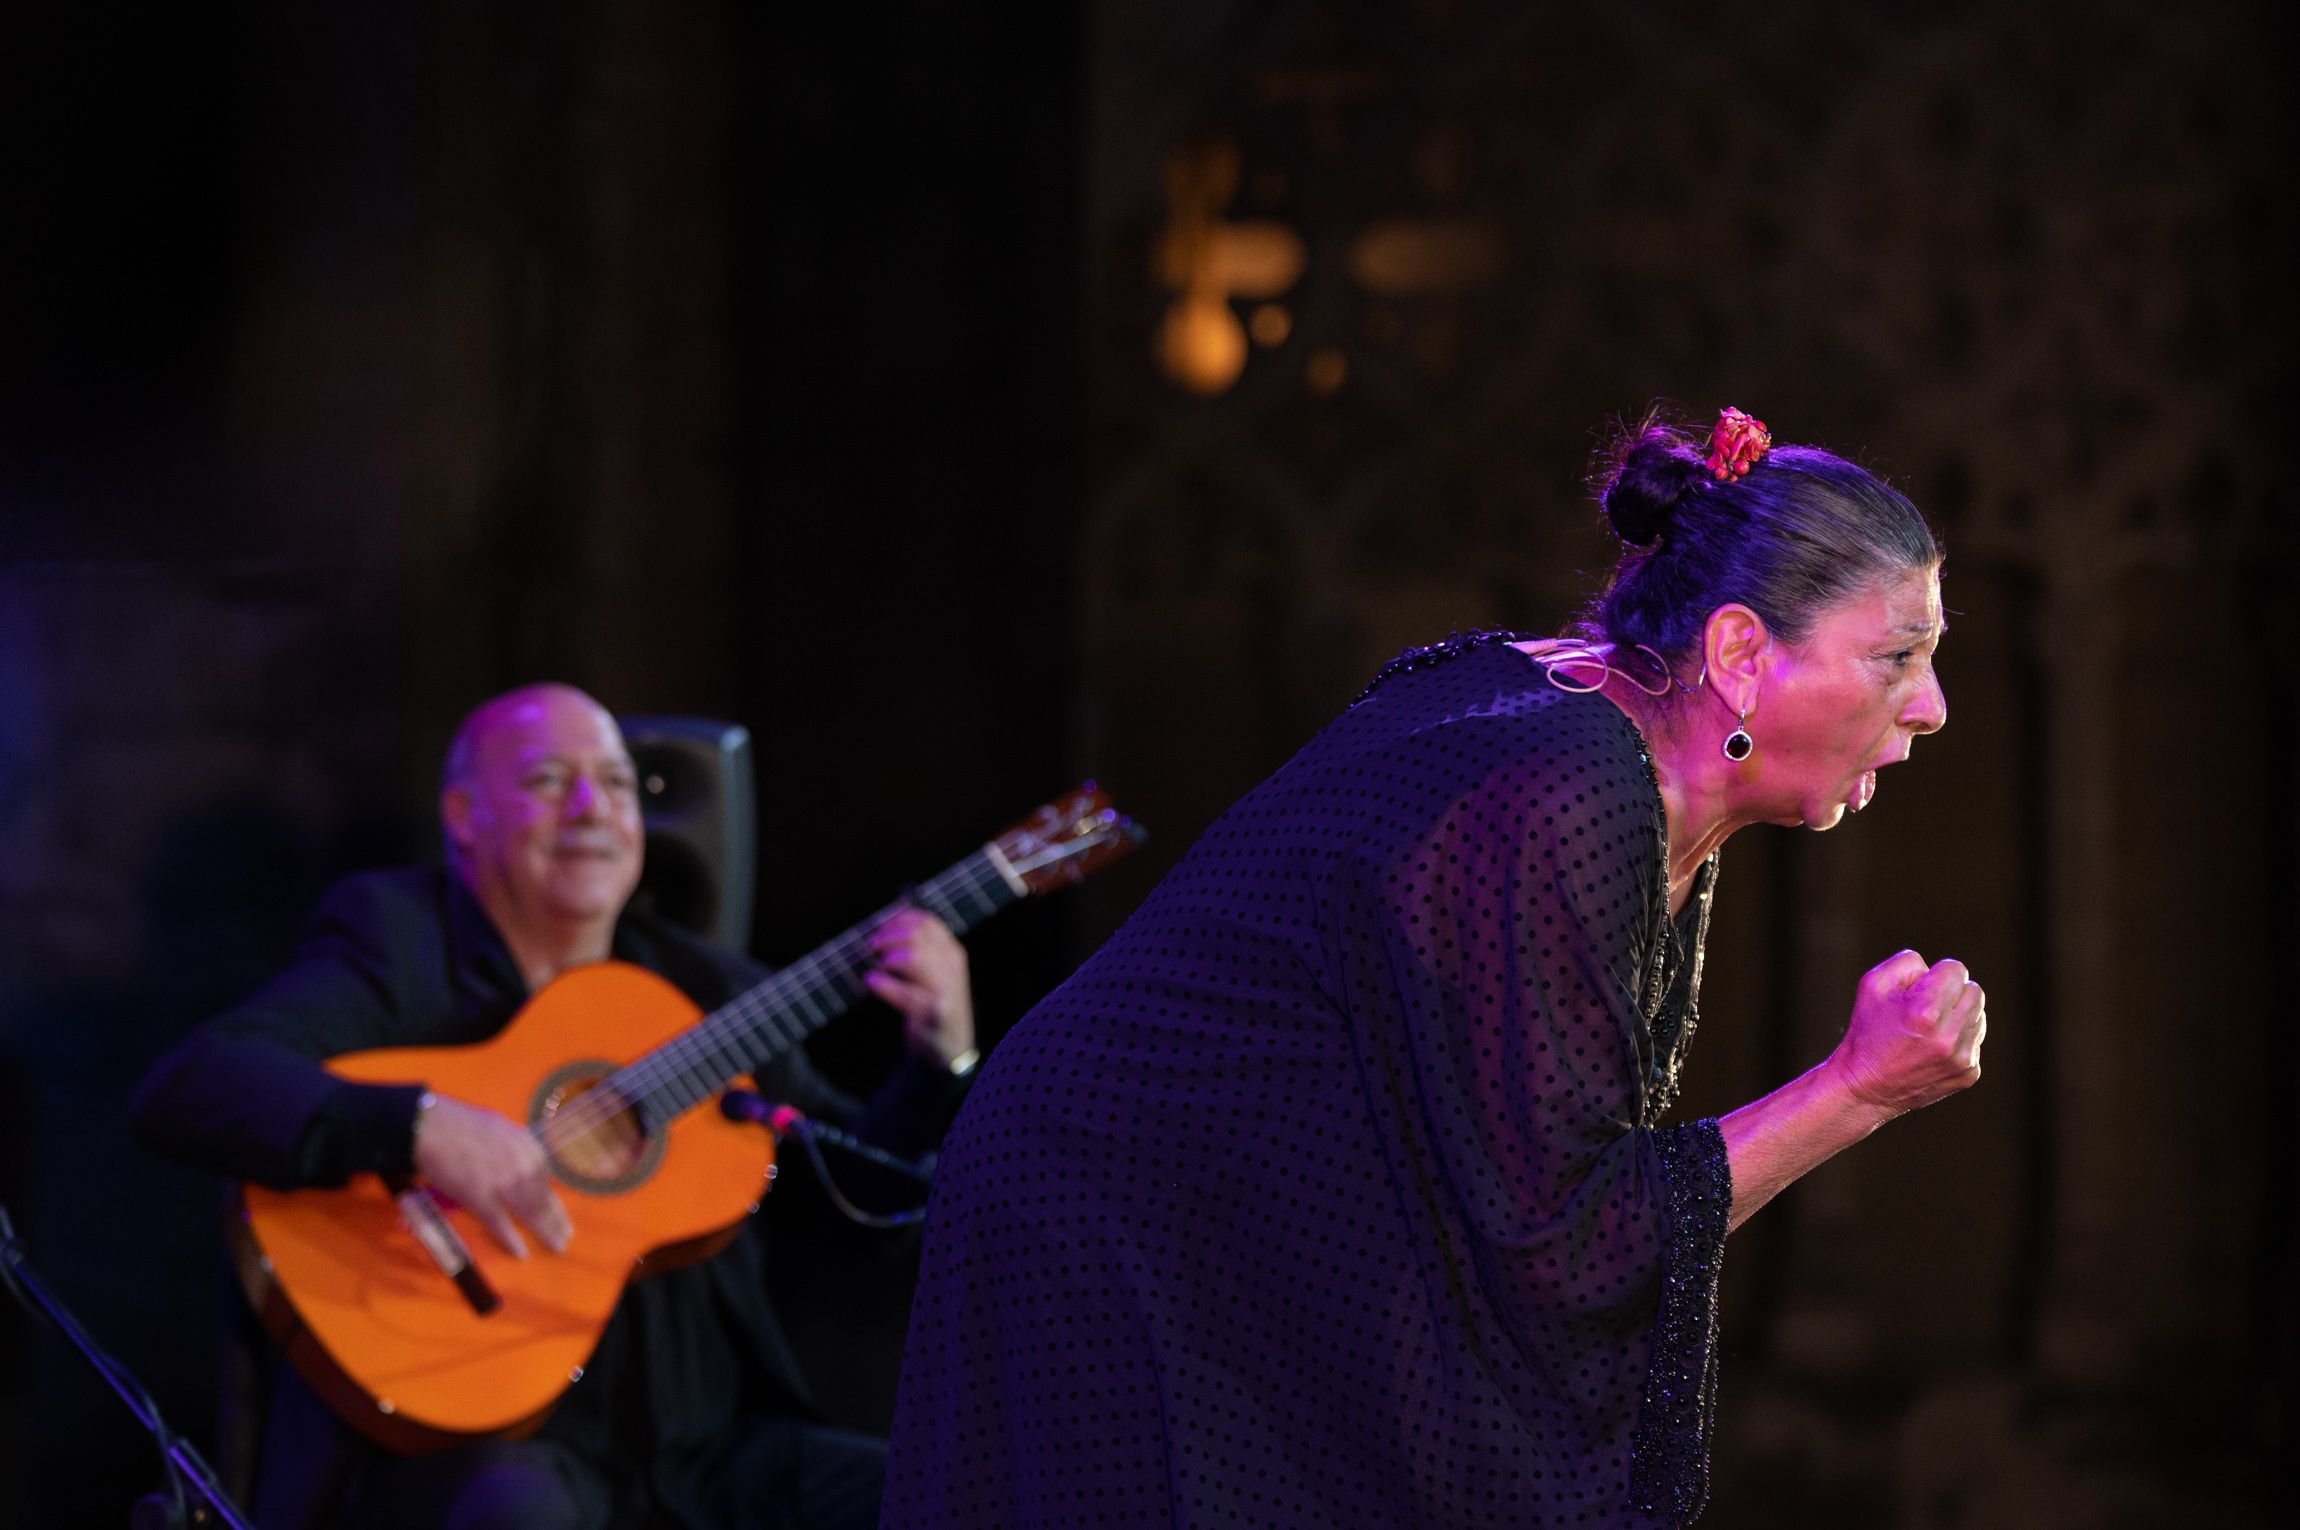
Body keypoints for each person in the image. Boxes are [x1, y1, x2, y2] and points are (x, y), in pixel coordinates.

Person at [880, 407, 1985, 1529]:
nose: (1932, 705)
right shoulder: (1564, 787)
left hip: (1219, 1233)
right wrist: (1856, 1089)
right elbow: (1563, 1242)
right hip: (1116, 1233)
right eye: (1896, 656)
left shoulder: (1611, 735)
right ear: (1740, 654)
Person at [131, 682, 978, 1530]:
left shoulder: (706, 991)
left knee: (947, 1492)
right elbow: (196, 1084)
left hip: (715, 1455)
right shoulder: (398, 944)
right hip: (495, 1449)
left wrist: (940, 1062)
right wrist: (422, 1127)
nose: (591, 808)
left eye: (617, 783)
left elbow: (870, 1206)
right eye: (547, 780)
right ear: (463, 814)